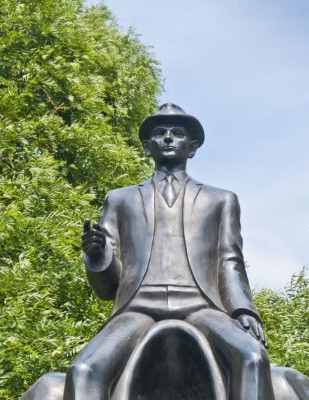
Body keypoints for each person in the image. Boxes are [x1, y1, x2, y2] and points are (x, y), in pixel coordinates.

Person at [63, 103, 274, 400]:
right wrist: (98, 257)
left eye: (177, 133)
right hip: (137, 308)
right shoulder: (120, 200)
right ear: (148, 147)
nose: (168, 138)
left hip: (201, 307)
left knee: (252, 357)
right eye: (159, 133)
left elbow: (230, 261)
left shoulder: (221, 200)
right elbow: (108, 287)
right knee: (83, 369)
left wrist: (243, 311)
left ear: (192, 146)